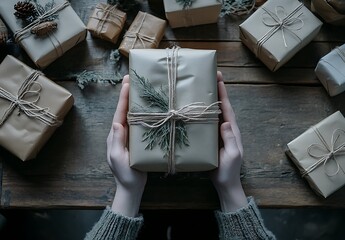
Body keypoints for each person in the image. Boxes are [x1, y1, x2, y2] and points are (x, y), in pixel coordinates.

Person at [85, 72, 276, 240]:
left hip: (145, 201)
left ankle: (159, 225)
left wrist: (128, 192)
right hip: (205, 205)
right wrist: (230, 187)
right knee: (196, 228)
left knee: (153, 230)